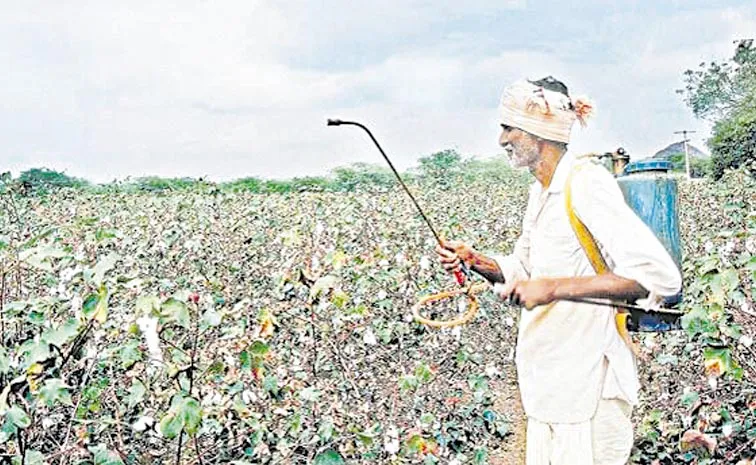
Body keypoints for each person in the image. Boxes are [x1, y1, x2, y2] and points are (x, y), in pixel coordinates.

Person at [435, 77, 682, 465]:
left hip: (588, 388)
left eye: (509, 127)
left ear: (539, 132)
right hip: (549, 385)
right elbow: (523, 269)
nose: (501, 139)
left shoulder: (586, 184)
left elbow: (657, 277)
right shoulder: (541, 192)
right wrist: (475, 259)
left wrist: (553, 288)